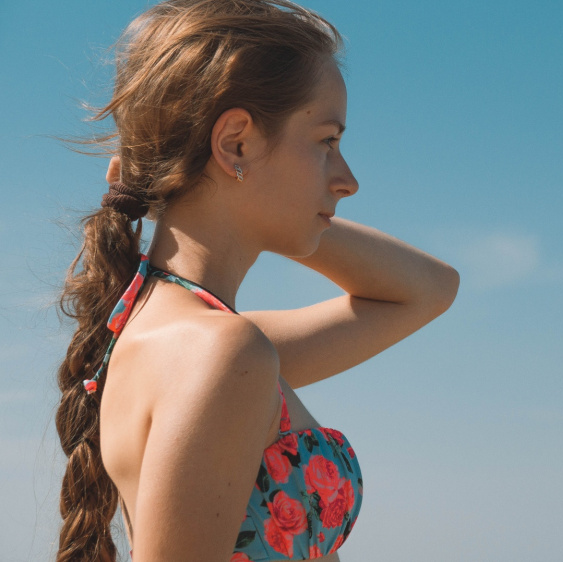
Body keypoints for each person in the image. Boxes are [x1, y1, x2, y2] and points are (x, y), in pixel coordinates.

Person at [53, 1, 460, 560]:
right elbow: (425, 291)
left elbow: (430, 289)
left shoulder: (187, 340)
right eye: (327, 141)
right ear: (236, 143)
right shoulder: (220, 354)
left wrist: (222, 197)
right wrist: (255, 207)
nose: (348, 181)